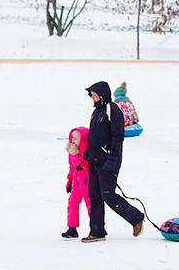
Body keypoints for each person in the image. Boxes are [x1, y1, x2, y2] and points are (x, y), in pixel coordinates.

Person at [81, 81, 144, 243]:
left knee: (108, 195)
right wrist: (87, 155)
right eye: (91, 95)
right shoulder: (96, 112)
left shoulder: (112, 109)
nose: (92, 97)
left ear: (102, 95)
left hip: (108, 161)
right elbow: (94, 136)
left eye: (94, 95)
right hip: (94, 161)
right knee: (94, 196)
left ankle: (136, 217)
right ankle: (97, 231)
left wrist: (112, 160)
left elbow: (117, 137)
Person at [62, 126, 92, 239]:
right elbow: (72, 166)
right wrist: (70, 179)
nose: (73, 140)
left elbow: (91, 162)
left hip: (86, 178)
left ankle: (96, 225)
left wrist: (84, 165)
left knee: (90, 202)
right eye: (72, 138)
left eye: (76, 138)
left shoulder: (87, 150)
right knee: (72, 201)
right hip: (76, 178)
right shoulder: (72, 151)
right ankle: (72, 227)